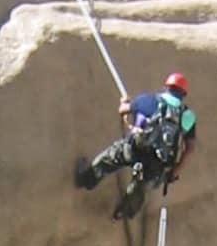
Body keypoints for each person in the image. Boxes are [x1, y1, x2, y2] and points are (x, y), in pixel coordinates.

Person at [73, 72, 197, 219]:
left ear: (166, 87)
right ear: (183, 94)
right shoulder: (188, 116)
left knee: (108, 158)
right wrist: (174, 172)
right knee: (140, 189)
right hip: (156, 164)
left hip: (135, 149)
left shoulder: (148, 100)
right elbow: (190, 148)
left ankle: (87, 179)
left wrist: (124, 103)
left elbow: (123, 111)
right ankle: (122, 213)